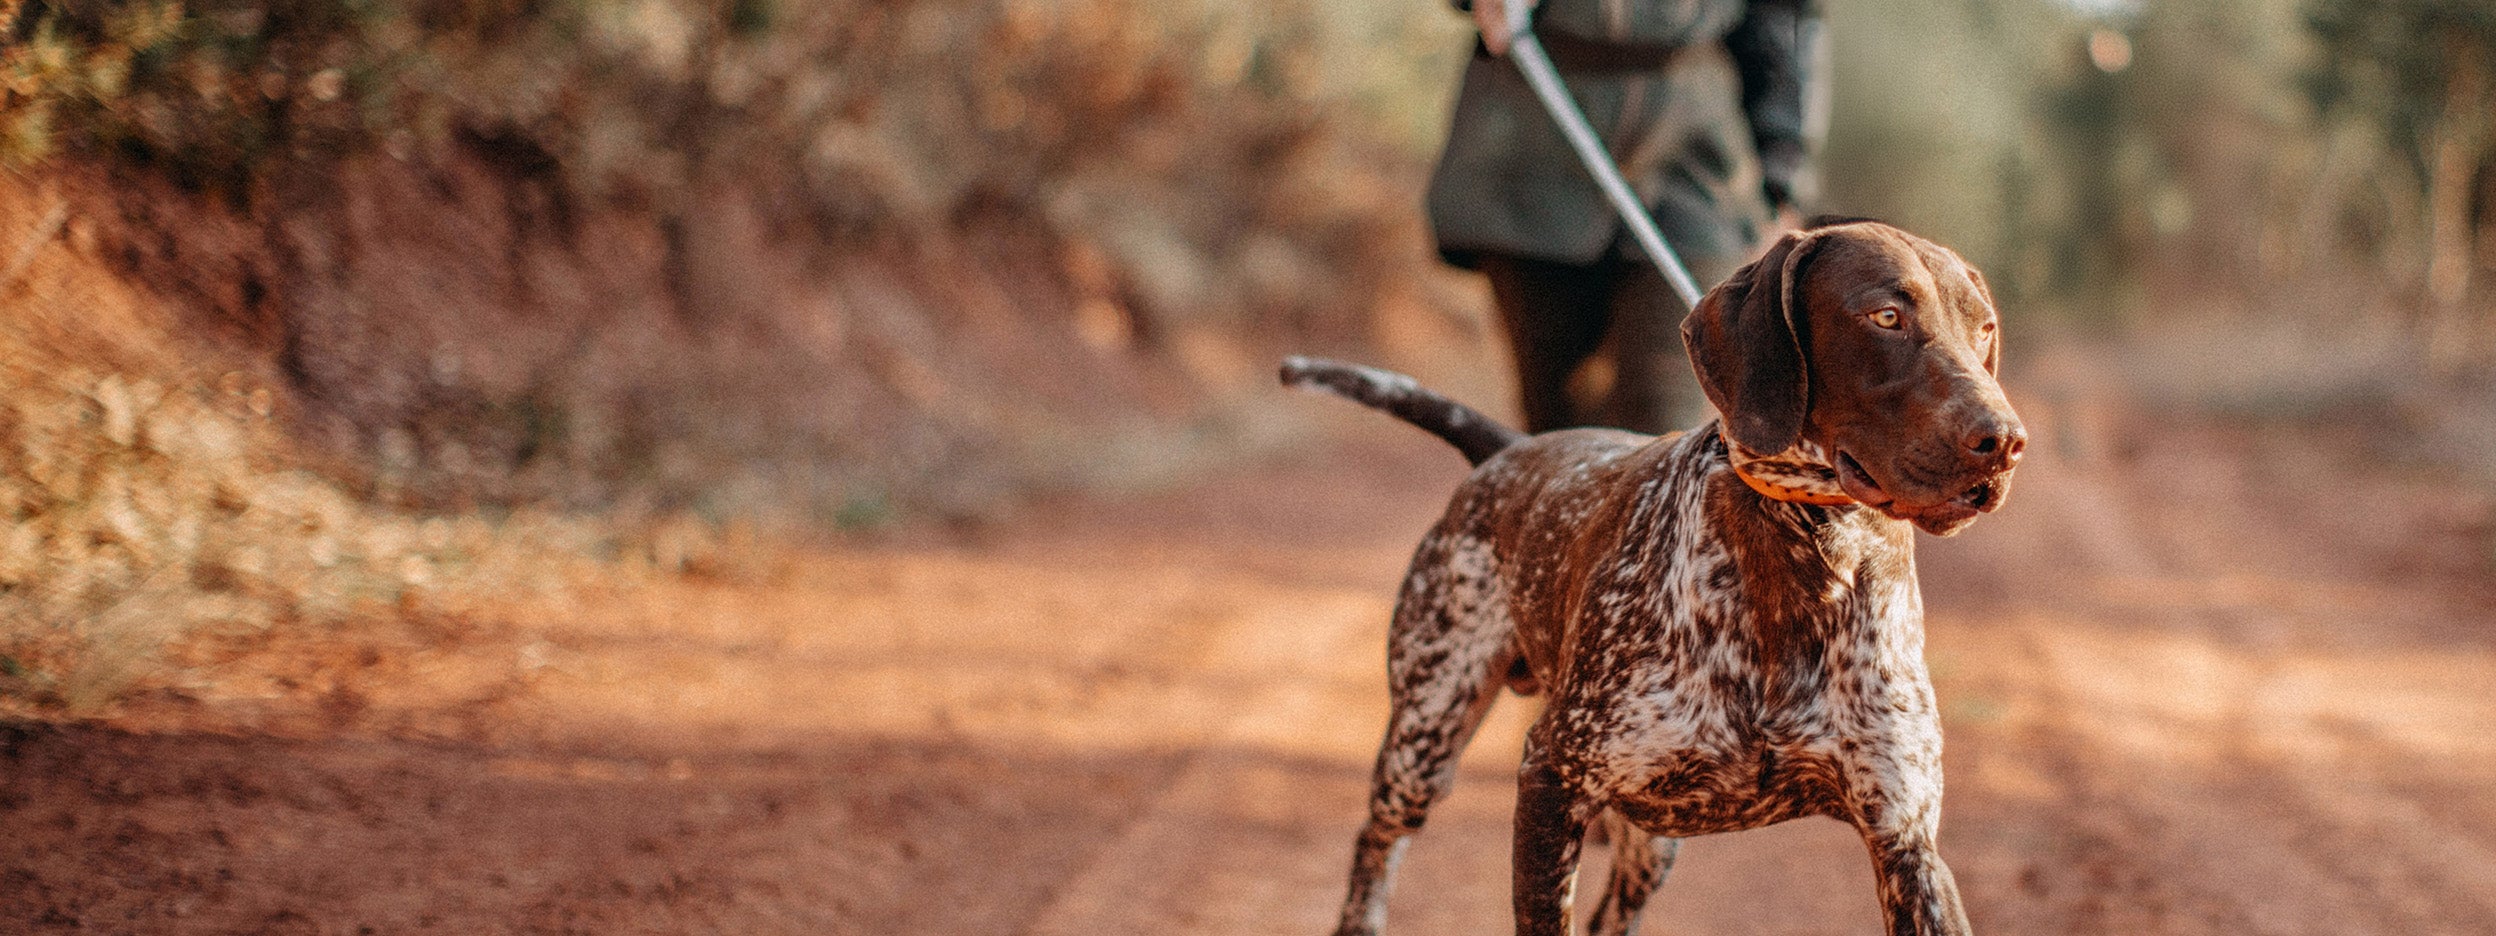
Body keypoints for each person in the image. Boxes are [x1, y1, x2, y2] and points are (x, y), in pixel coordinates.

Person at [1432, 0, 1825, 434]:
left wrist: (1781, 174)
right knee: (1558, 428)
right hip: (1530, 148)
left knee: (1660, 427)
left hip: (1698, 169)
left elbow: (1783, 22)